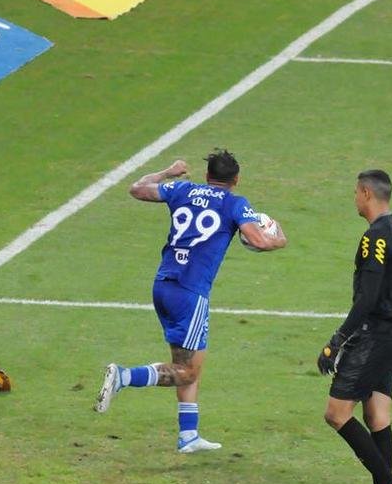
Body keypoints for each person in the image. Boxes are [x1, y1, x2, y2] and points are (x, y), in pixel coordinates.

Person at [95, 148, 286, 452]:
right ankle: (124, 376)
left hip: (163, 285)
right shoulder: (235, 203)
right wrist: (279, 240)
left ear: (208, 175)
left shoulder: (182, 189)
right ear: (236, 179)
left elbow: (137, 188)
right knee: (187, 371)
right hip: (190, 293)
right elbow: (259, 240)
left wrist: (168, 172)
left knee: (187, 362)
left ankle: (188, 436)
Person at [317, 168, 392, 484]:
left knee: (336, 413)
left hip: (375, 336)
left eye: (356, 192)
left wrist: (337, 340)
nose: (354, 198)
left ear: (367, 193)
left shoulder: (374, 237)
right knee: (377, 417)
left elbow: (367, 298)